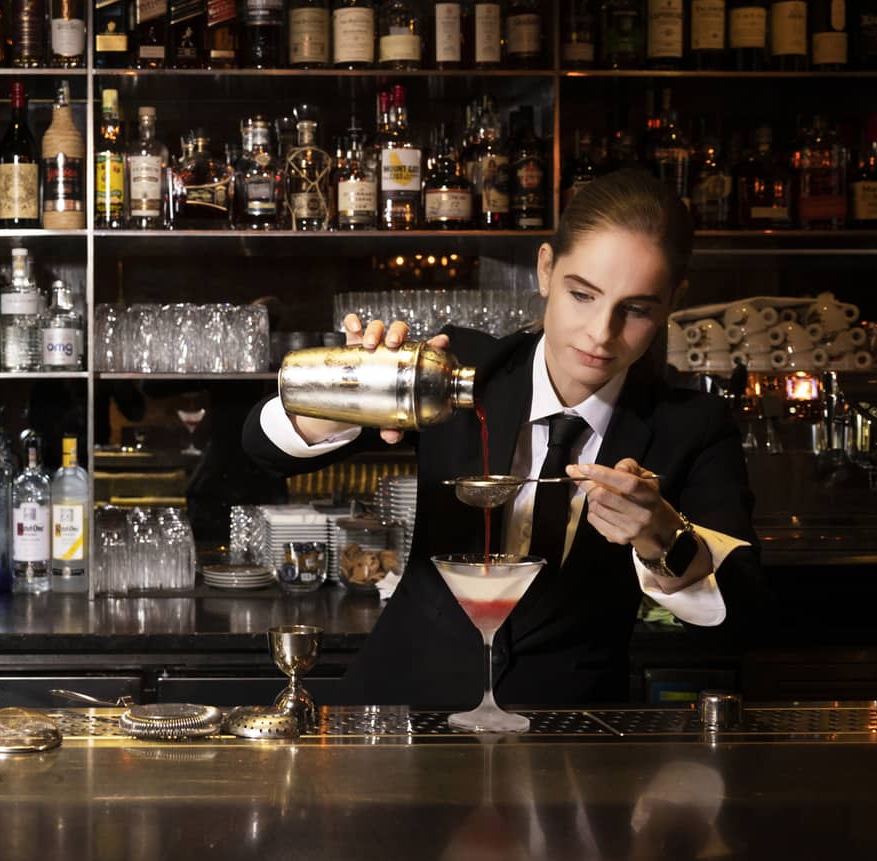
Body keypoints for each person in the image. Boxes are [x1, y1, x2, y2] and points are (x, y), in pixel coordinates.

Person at [242, 169, 764, 707]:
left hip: (567, 739)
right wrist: (342, 396)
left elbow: (741, 618)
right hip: (401, 716)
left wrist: (661, 538)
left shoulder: (691, 427)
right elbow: (261, 448)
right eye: (582, 295)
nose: (600, 333)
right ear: (544, 270)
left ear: (673, 300)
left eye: (635, 309)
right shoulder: (456, 369)